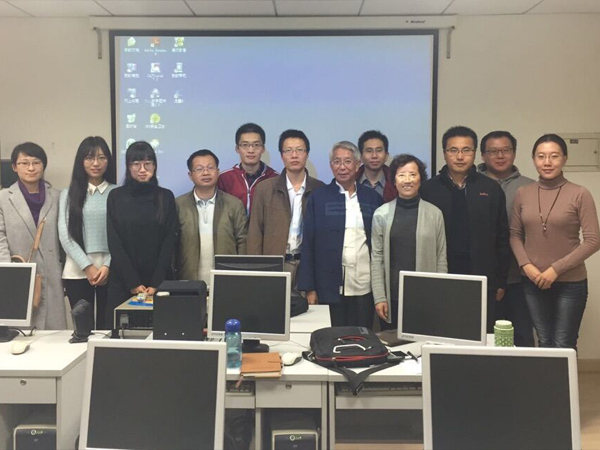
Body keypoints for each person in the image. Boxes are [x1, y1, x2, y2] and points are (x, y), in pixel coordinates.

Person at [510, 134, 600, 349]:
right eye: (541, 156)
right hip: (532, 280)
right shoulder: (523, 193)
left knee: (563, 344)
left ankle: (565, 375)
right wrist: (526, 266)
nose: (547, 162)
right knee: (544, 341)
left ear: (564, 159)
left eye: (554, 156)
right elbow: (514, 234)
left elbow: (593, 240)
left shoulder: (580, 193)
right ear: (534, 159)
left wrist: (555, 270)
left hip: (570, 283)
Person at [420, 126, 510, 333]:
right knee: (442, 333)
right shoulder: (428, 189)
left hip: (482, 278)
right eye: (453, 150)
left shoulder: (490, 188)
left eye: (466, 150)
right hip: (441, 277)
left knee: (480, 334)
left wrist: (500, 281)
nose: (460, 157)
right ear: (444, 153)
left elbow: (502, 236)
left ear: (475, 153)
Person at [297, 141, 382, 328]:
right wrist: (310, 288)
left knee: (362, 336)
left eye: (348, 161)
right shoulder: (319, 198)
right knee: (332, 337)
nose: (342, 167)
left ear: (358, 164)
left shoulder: (372, 198)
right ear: (331, 165)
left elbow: (379, 246)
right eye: (337, 162)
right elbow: (308, 243)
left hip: (364, 285)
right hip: (328, 285)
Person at [105, 141, 178, 326]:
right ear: (128, 166)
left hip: (159, 281)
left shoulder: (166, 197)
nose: (143, 170)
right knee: (120, 334)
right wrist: (133, 283)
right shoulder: (116, 197)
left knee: (162, 332)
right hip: (123, 281)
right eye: (136, 164)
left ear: (155, 166)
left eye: (148, 164)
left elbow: (169, 242)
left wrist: (156, 283)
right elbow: (114, 242)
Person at [371, 154, 447, 330]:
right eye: (401, 175)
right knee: (392, 344)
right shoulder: (381, 214)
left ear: (421, 178)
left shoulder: (434, 214)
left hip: (426, 297)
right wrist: (380, 297)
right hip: (392, 297)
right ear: (394, 180)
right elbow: (376, 259)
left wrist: (440, 294)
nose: (407, 180)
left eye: (413, 174)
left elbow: (441, 258)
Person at [0, 142, 66, 329]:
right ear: (14, 167)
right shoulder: (3, 198)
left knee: (54, 334)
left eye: (36, 162)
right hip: (18, 274)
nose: (31, 168)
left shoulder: (58, 196)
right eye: (24, 163)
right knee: (19, 332)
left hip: (52, 274)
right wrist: (8, 273)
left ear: (43, 165)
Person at [479, 130, 535, 346]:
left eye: (506, 150)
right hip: (483, 279)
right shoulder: (472, 184)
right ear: (483, 155)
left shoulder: (530, 187)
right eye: (493, 151)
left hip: (520, 277)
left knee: (522, 336)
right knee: (483, 338)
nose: (500, 156)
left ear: (514, 153)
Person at [247, 129, 324, 285]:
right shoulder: (265, 189)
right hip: (275, 265)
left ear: (307, 154)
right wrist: (256, 271)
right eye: (288, 151)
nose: (294, 155)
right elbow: (255, 233)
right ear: (282, 155)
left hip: (307, 266)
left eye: (299, 150)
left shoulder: (320, 190)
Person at [58, 136, 116, 329]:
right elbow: (65, 235)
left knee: (108, 328)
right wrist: (87, 266)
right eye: (89, 158)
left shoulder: (118, 193)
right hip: (77, 270)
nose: (96, 163)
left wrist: (107, 265)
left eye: (101, 157)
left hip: (111, 269)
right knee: (83, 330)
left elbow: (123, 236)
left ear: (108, 161)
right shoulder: (68, 194)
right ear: (81, 161)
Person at [176, 149, 247, 284]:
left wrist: (240, 275)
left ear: (218, 171)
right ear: (190, 175)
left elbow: (242, 241)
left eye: (210, 168)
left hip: (227, 281)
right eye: (199, 169)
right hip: (187, 280)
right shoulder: (179, 205)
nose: (206, 173)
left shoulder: (233, 205)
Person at [217, 123, 277, 214]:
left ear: (263, 149)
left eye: (256, 145)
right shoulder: (224, 178)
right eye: (245, 145)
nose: (251, 150)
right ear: (237, 149)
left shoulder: (275, 178)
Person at [356, 130, 396, 202]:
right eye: (369, 151)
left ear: (386, 155)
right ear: (360, 156)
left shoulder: (396, 183)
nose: (374, 156)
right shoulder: (351, 181)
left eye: (379, 150)